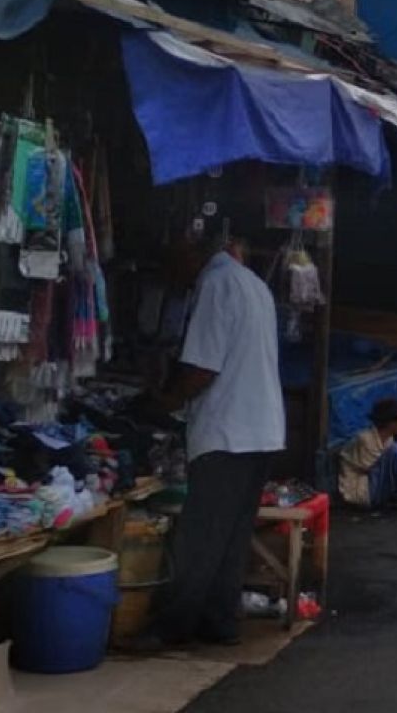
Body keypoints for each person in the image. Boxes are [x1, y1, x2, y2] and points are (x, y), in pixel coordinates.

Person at [141, 231, 285, 648]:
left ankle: (171, 626)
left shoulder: (215, 285)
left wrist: (165, 401)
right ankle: (219, 621)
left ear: (192, 256)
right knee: (232, 534)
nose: (174, 276)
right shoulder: (252, 283)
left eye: (174, 264)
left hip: (228, 432)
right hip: (260, 429)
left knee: (200, 535)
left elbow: (202, 369)